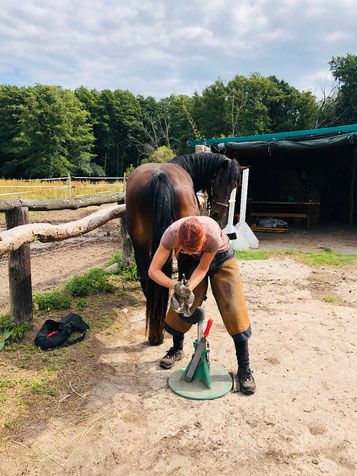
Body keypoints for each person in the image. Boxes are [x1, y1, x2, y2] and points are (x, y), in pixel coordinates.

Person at [148, 216, 256, 395]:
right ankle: (177, 349)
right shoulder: (170, 235)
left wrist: (189, 286)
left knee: (234, 308)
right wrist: (177, 286)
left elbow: (203, 268)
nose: (191, 252)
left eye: (194, 250)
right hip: (192, 263)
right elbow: (153, 270)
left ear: (203, 241)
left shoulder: (212, 235)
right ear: (179, 242)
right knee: (183, 303)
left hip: (221, 259)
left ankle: (244, 368)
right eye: (186, 249)